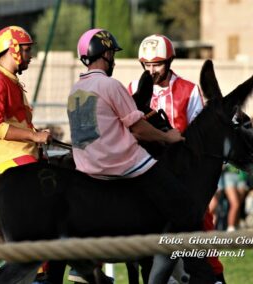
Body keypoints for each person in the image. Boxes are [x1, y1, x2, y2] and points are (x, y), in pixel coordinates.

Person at [67, 29, 198, 283]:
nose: (113, 60)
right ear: (105, 54)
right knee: (185, 206)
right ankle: (176, 274)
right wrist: (167, 137)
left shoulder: (75, 89)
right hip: (124, 165)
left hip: (86, 169)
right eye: (112, 54)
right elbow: (138, 128)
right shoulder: (111, 85)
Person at [128, 34, 225, 284]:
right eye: (146, 65)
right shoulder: (131, 89)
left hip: (183, 175)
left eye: (157, 64)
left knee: (201, 219)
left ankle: (214, 274)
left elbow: (199, 137)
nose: (151, 71)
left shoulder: (189, 90)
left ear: (170, 61)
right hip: (146, 174)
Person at [0, 26, 51, 282]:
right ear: (14, 50)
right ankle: (37, 272)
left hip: (19, 153)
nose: (31, 56)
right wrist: (34, 136)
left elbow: (15, 122)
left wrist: (35, 133)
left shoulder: (9, 78)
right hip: (4, 157)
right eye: (27, 50)